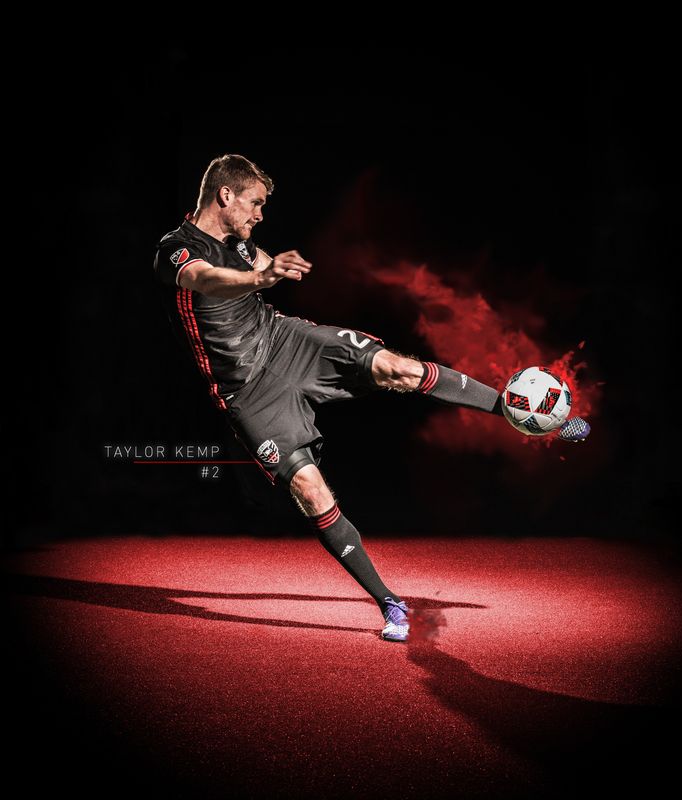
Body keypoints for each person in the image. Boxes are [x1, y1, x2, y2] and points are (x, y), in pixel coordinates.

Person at [153, 154, 590, 643]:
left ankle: (513, 412)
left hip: (285, 342)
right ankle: (391, 603)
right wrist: (260, 275)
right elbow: (203, 278)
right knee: (310, 492)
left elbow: (255, 266)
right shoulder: (176, 248)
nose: (260, 215)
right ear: (225, 195)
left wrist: (269, 269)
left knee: (396, 368)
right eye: (254, 203)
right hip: (247, 390)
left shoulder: (241, 242)